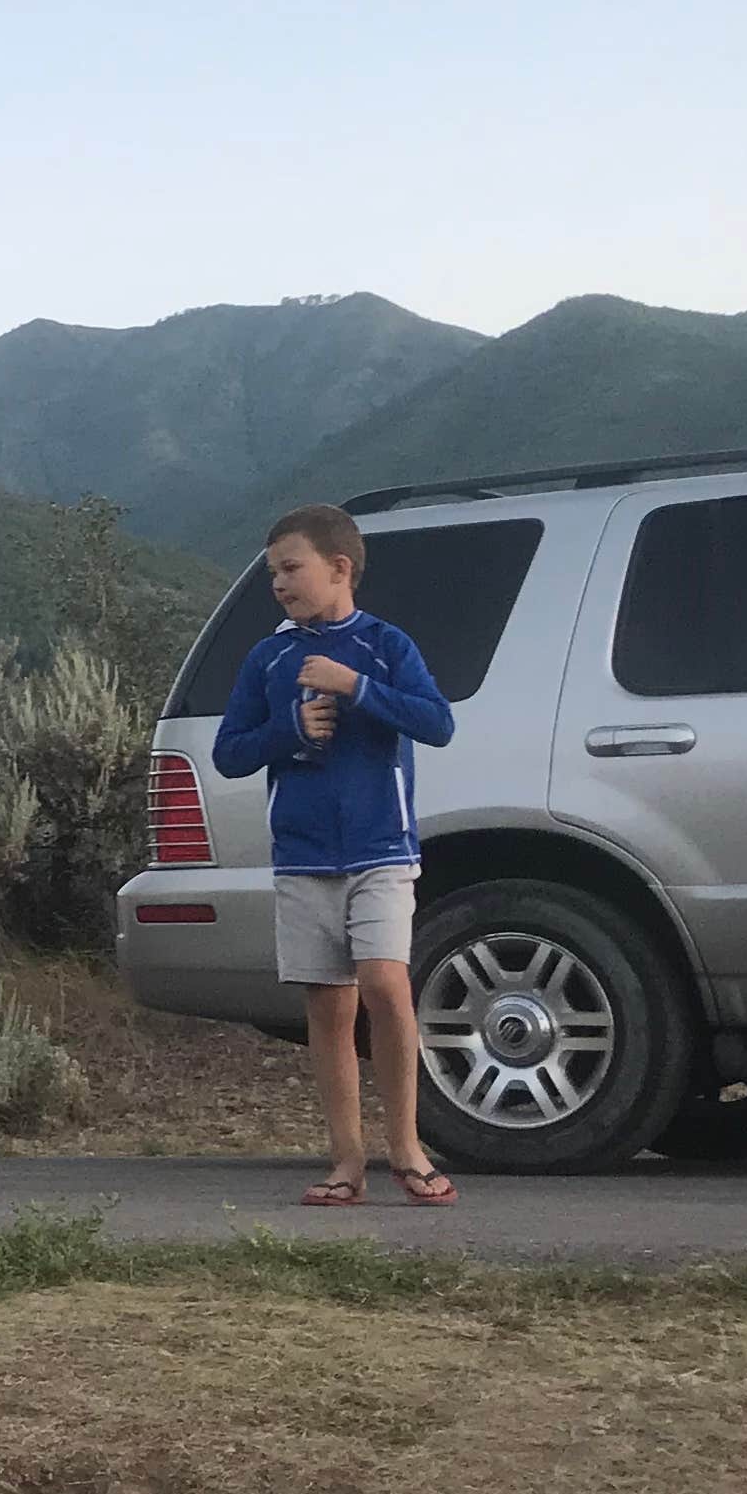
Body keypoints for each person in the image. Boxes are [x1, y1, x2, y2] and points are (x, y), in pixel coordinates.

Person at [210, 503, 460, 1206]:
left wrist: (358, 688)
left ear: (339, 568)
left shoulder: (386, 644)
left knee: (385, 985)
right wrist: (288, 727)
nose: (280, 585)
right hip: (303, 856)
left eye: (292, 569)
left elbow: (437, 722)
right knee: (328, 1007)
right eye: (273, 574)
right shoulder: (268, 656)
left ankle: (408, 1148)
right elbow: (231, 752)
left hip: (381, 847)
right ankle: (346, 1162)